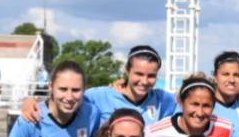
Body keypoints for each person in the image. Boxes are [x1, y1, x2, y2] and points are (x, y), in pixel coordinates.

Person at [22, 45, 175, 128]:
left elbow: (191, 103)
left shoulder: (163, 99)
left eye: (151, 76)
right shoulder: (101, 95)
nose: (144, 81)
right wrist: (32, 101)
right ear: (127, 71)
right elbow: (66, 99)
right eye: (139, 74)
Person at [144, 76, 234, 137]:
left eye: (206, 106)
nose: (200, 113)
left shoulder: (226, 128)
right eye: (194, 104)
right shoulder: (154, 134)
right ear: (181, 103)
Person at [211, 50, 239, 130]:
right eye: (226, 74)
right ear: (215, 76)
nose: (231, 80)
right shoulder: (203, 107)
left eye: (237, 75)